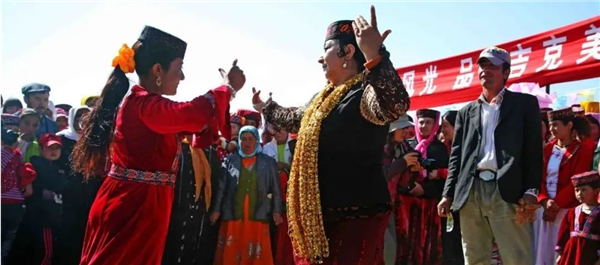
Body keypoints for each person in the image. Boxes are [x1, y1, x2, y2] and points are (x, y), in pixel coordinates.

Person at [71, 26, 244, 265]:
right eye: (180, 67)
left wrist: (226, 94)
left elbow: (195, 124)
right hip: (133, 206)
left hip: (142, 203)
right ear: (158, 70)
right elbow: (192, 114)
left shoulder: (148, 106)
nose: (182, 77)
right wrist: (228, 87)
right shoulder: (144, 104)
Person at [254, 6, 409, 264]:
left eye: (326, 49)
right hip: (321, 215)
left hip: (356, 217)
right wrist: (266, 108)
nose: (320, 58)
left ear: (347, 52)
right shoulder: (320, 99)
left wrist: (376, 55)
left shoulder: (365, 92)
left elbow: (395, 105)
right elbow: (295, 120)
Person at [438, 46, 543, 264]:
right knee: (475, 258)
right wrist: (447, 194)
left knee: (518, 258)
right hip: (470, 192)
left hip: (507, 191)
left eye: (492, 66)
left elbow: (534, 151)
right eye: (482, 66)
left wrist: (532, 190)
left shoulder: (524, 104)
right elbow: (457, 156)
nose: (485, 70)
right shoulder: (466, 112)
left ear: (506, 72)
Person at [211, 126, 283, 265]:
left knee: (255, 247)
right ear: (239, 141)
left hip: (257, 211)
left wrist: (277, 211)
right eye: (243, 139)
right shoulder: (230, 160)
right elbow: (221, 188)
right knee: (232, 246)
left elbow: (276, 189)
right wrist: (216, 210)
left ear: (257, 141)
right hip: (233, 211)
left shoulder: (268, 162)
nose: (247, 143)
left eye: (251, 139)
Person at [534, 108, 595, 264]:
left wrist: (555, 205)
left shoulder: (582, 150)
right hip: (545, 208)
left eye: (555, 125)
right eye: (550, 125)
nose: (552, 129)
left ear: (569, 125)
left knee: (561, 250)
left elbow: (575, 181)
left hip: (566, 210)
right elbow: (539, 178)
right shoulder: (546, 149)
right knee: (541, 250)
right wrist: (544, 200)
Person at [162, 135, 224, 265]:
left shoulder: (210, 153)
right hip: (177, 210)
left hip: (200, 214)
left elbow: (216, 183)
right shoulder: (177, 149)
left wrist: (215, 209)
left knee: (196, 250)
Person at [8, 133, 68, 265]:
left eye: (57, 148)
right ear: (41, 149)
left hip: (50, 218)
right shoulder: (36, 165)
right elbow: (56, 184)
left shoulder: (59, 168)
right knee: (44, 254)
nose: (53, 151)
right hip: (42, 219)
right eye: (50, 148)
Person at [54, 106, 100, 265]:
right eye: (79, 115)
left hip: (89, 194)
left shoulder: (94, 141)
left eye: (87, 116)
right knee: (66, 234)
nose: (82, 119)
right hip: (67, 194)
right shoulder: (61, 138)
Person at [1, 129, 36, 263]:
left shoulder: (17, 154)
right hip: (3, 201)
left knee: (8, 240)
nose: (14, 142)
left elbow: (22, 170)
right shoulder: (3, 153)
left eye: (15, 139)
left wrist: (28, 182)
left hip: (15, 202)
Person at [263, 127, 294, 265]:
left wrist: (287, 166)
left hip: (291, 197)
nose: (278, 132)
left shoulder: (296, 143)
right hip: (273, 197)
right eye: (274, 129)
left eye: (281, 129)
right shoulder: (266, 148)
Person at [556, 171, 600, 265]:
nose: (579, 193)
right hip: (571, 253)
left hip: (590, 254)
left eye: (584, 190)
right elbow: (564, 233)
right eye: (577, 190)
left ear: (596, 191)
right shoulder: (572, 212)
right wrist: (561, 254)